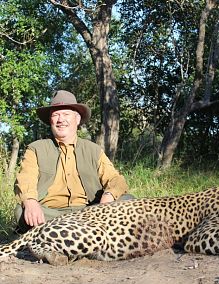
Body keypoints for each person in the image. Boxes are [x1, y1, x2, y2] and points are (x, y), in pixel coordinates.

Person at [14, 90, 133, 233]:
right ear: (50, 121)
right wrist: (31, 201)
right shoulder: (36, 149)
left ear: (77, 119)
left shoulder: (93, 150)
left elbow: (115, 179)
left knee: (128, 200)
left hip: (90, 213)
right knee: (21, 211)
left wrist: (108, 197)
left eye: (66, 114)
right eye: (55, 114)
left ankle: (77, 235)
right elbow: (26, 178)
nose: (60, 119)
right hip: (51, 215)